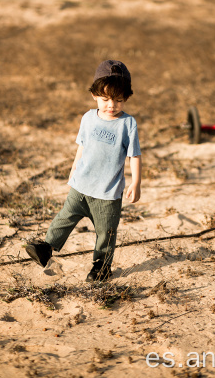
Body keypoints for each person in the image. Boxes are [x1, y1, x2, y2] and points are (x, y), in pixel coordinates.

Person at [25, 60, 142, 282]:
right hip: (81, 185)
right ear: (94, 95)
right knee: (65, 217)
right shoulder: (88, 118)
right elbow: (82, 147)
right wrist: (73, 171)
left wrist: (136, 183)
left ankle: (101, 266)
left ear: (126, 98)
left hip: (107, 193)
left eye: (118, 100)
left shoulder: (128, 124)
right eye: (106, 99)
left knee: (106, 232)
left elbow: (134, 155)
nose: (111, 105)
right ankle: (46, 248)